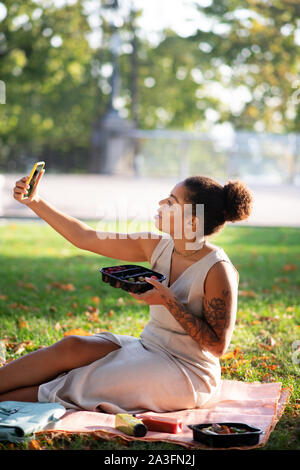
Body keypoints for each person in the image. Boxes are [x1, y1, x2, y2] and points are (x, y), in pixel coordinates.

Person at [0, 172, 253, 414]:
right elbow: (85, 237)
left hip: (188, 372)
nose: (161, 203)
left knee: (79, 382)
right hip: (149, 346)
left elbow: (218, 346)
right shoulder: (158, 245)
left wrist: (169, 302)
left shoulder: (218, 269)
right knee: (71, 347)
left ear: (192, 220)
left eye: (172, 202)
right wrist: (34, 201)